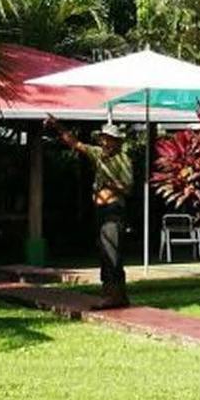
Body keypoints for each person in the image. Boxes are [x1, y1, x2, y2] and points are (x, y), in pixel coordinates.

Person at [44, 117, 133, 309]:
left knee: (112, 252)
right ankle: (117, 294)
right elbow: (75, 144)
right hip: (100, 210)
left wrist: (108, 183)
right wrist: (57, 125)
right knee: (104, 251)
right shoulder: (98, 154)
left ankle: (113, 295)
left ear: (117, 142)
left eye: (109, 139)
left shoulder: (123, 159)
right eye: (103, 138)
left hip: (113, 210)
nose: (105, 142)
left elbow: (127, 188)